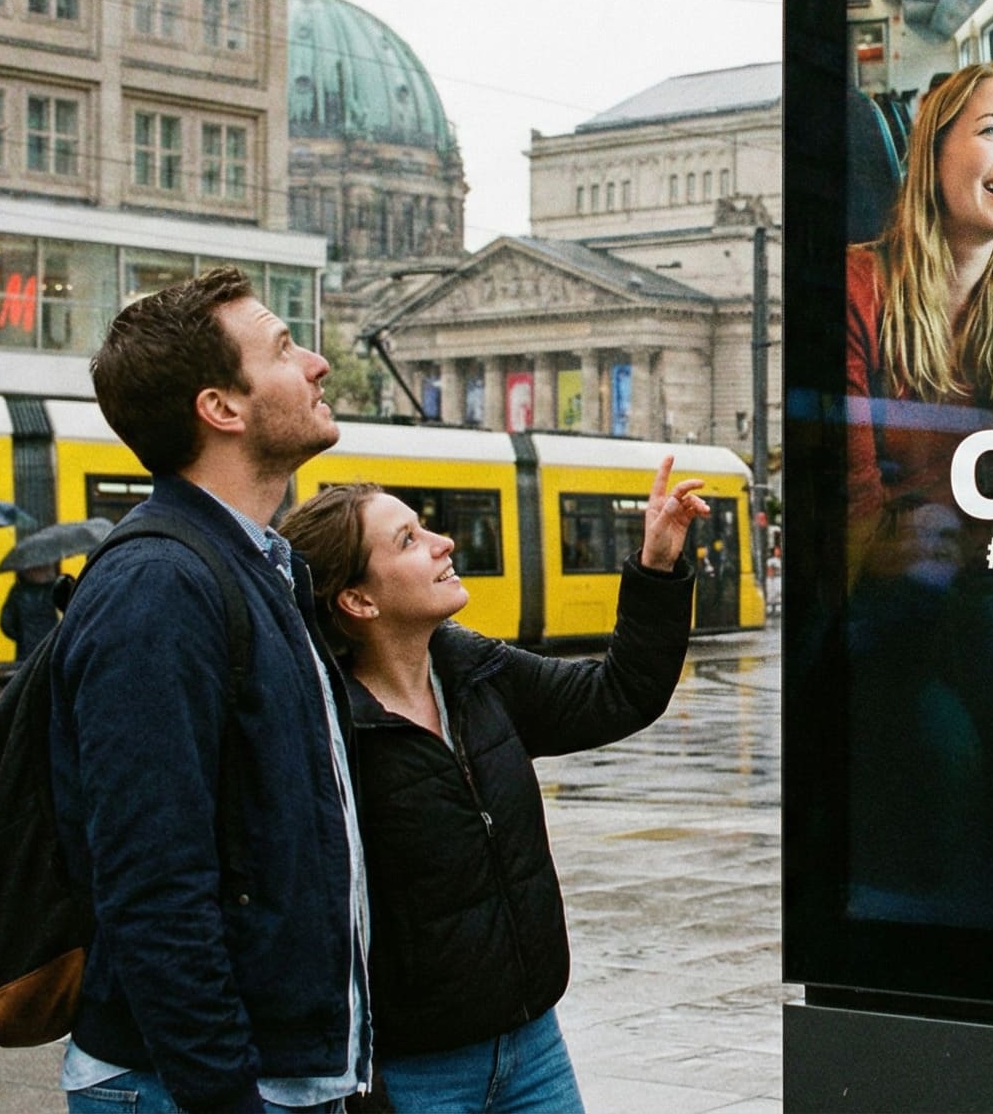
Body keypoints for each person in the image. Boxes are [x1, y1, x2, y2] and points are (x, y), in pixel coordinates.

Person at [278, 461, 704, 1114]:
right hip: (416, 1073)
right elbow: (309, 931)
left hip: (533, 1050)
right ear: (358, 601)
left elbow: (619, 693)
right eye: (408, 541)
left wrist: (655, 565)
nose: (443, 543)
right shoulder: (325, 734)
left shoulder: (474, 671)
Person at [49, 265, 365, 1112]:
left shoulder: (259, 568)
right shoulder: (161, 586)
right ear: (221, 407)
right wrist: (224, 1097)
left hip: (278, 1074)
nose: (318, 363)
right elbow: (154, 887)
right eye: (286, 348)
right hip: (194, 1089)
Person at [843, 61, 993, 547]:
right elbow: (857, 514)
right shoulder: (859, 289)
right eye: (992, 131)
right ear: (935, 152)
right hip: (887, 575)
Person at [0, 561, 66, 665]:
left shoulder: (18, 592)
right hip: (53, 649)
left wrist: (22, 636)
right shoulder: (58, 588)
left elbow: (6, 624)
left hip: (26, 654)